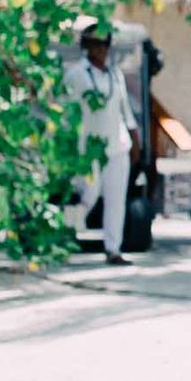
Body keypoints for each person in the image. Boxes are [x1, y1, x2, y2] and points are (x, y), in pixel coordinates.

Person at [64, 20, 138, 266]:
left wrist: (134, 137)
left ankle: (113, 249)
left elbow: (125, 110)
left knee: (116, 199)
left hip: (117, 146)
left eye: (104, 46)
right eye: (96, 45)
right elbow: (66, 112)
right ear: (87, 47)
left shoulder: (115, 74)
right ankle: (64, 235)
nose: (101, 50)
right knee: (89, 195)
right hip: (89, 147)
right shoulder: (76, 74)